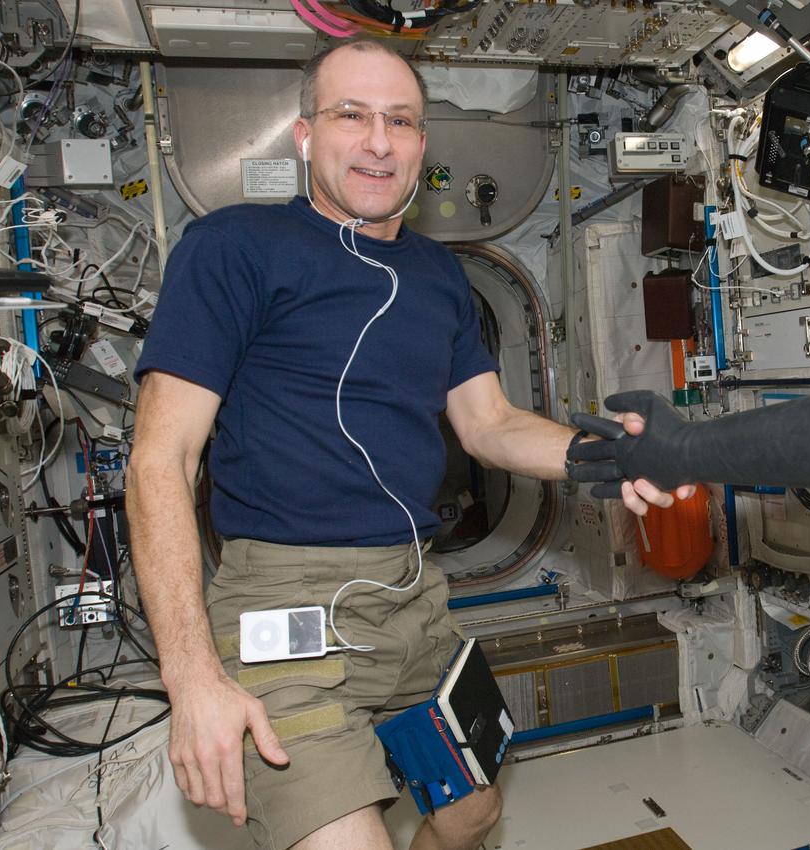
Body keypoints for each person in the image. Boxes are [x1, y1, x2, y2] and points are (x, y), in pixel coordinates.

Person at [126, 39, 692, 850]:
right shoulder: (233, 247)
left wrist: (605, 454)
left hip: (414, 598)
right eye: (350, 115)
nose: (378, 141)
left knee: (472, 814)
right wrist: (190, 678)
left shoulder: (439, 276)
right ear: (305, 135)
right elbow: (161, 460)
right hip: (284, 606)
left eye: (400, 121)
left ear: (423, 146)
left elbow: (489, 424)